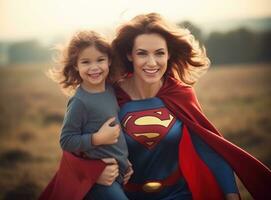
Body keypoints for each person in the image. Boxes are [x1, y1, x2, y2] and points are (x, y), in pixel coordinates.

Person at [40, 14, 271, 200]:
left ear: (168, 55)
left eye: (159, 53)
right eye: (142, 54)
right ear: (129, 54)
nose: (152, 63)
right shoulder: (111, 96)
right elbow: (74, 152)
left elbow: (208, 146)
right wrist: (93, 174)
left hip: (179, 194)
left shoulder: (179, 94)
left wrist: (231, 194)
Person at [39, 30, 131, 200]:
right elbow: (66, 141)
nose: (94, 67)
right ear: (76, 65)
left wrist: (125, 163)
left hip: (119, 174)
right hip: (99, 181)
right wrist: (97, 139)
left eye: (100, 60)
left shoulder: (110, 90)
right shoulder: (80, 102)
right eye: (86, 62)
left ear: (109, 60)